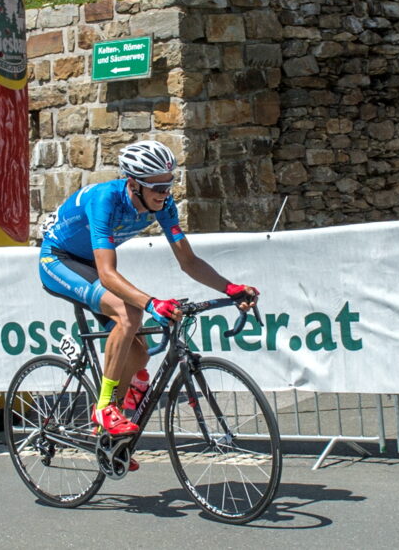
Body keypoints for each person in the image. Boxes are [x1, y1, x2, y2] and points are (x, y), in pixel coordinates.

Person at [39, 140, 258, 441]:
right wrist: (152, 303)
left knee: (139, 356)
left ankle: (109, 437)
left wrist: (230, 287)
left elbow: (189, 261)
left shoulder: (164, 205)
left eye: (168, 186)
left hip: (89, 264)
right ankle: (104, 407)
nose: (164, 194)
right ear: (133, 183)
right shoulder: (106, 201)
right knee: (130, 312)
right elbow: (106, 274)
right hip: (59, 260)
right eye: (157, 188)